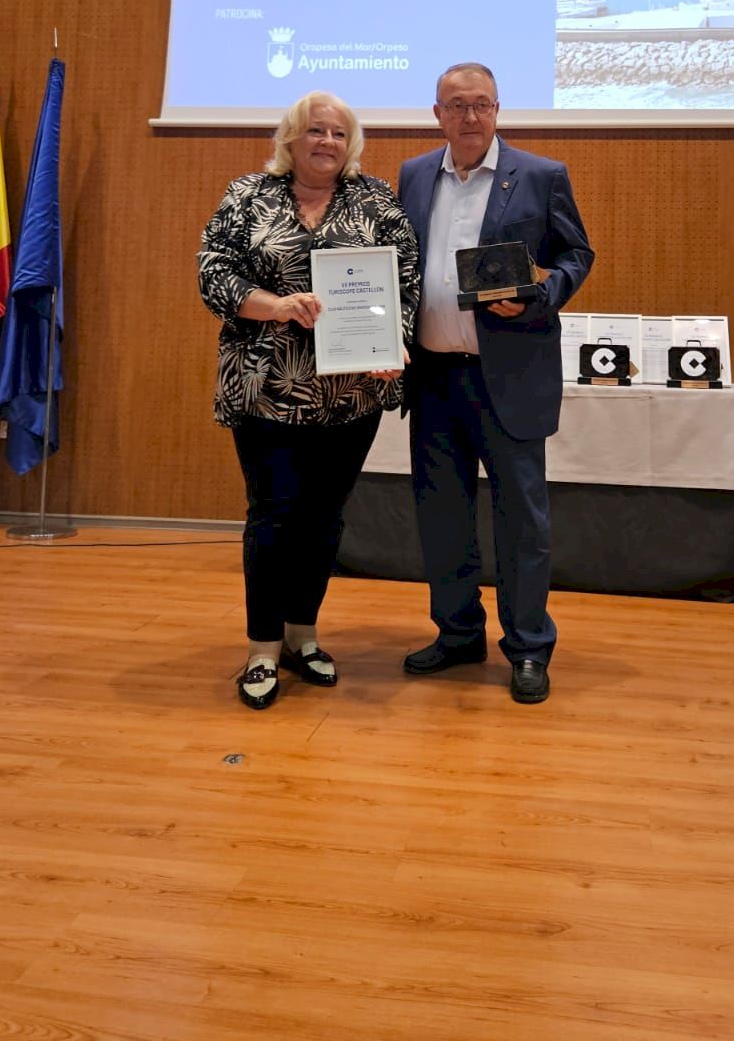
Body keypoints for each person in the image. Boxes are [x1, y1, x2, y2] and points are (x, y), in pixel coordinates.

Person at [198, 91, 419, 709]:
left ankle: (303, 634)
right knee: (272, 514)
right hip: (267, 388)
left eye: (339, 134)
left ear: (352, 145)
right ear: (291, 138)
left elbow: (406, 283)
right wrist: (276, 306)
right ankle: (262, 647)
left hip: (351, 395)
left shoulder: (376, 201)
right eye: (316, 131)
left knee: (324, 518)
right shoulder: (248, 197)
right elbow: (213, 275)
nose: (327, 142)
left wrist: (393, 344)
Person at [398, 63, 594, 704]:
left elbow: (576, 255)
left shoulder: (540, 175)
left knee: (521, 521)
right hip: (433, 377)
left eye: (481, 104)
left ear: (498, 109)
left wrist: (541, 294)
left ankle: (529, 646)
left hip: (508, 378)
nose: (470, 116)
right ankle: (457, 634)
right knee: (441, 516)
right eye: (457, 105)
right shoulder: (413, 175)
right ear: (437, 114)